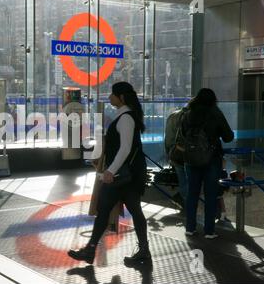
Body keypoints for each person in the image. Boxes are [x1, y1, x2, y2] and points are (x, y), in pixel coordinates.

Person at [68, 81, 150, 265]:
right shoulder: (124, 116)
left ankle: (91, 250)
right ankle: (141, 250)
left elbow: (125, 149)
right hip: (127, 174)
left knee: (107, 209)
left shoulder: (126, 118)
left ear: (121, 97)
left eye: (113, 94)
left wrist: (110, 171)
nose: (110, 97)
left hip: (123, 175)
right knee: (120, 210)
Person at [181, 88, 234, 239]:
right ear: (213, 99)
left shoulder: (188, 113)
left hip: (191, 160)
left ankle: (190, 228)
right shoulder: (215, 112)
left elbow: (184, 134)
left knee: (192, 194)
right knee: (211, 195)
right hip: (211, 159)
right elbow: (228, 136)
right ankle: (209, 231)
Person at [165, 106, 188, 205]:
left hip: (176, 154)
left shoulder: (173, 116)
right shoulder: (194, 117)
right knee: (189, 182)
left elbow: (168, 138)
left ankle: (183, 201)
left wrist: (169, 154)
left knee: (183, 180)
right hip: (191, 155)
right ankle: (184, 200)